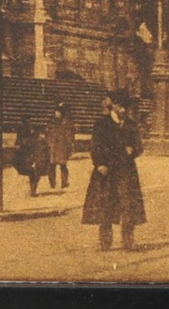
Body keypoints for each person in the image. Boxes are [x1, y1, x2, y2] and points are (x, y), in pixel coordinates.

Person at [83, 91, 147, 251]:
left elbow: (139, 146)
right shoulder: (101, 124)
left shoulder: (131, 125)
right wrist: (99, 164)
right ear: (114, 106)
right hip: (107, 170)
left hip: (126, 170)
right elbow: (95, 146)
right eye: (121, 106)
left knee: (128, 205)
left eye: (126, 107)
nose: (124, 110)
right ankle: (105, 241)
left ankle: (128, 241)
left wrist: (132, 150)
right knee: (106, 205)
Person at [44, 104, 75, 190]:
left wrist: (69, 145)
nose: (57, 114)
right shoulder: (51, 123)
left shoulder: (65, 124)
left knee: (63, 165)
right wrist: (48, 144)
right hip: (53, 146)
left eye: (59, 112)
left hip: (62, 146)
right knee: (51, 166)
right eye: (56, 112)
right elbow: (47, 134)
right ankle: (52, 183)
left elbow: (69, 135)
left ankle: (64, 182)